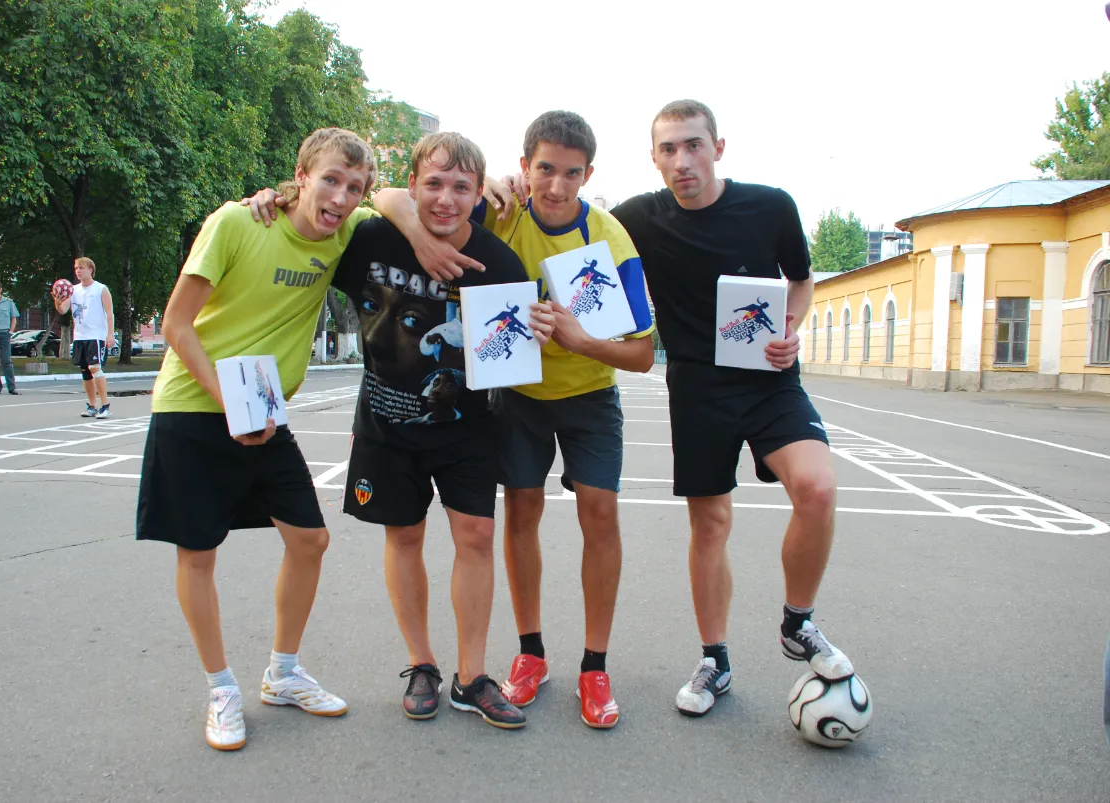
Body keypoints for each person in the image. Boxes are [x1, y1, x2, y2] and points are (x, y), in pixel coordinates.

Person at [374, 111, 656, 729]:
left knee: (600, 515)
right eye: (545, 169)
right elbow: (394, 196)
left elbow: (641, 354)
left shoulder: (609, 237)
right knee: (522, 513)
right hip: (518, 396)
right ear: (525, 166)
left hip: (588, 395)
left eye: (572, 174)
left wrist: (583, 341)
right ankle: (531, 654)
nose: (556, 185)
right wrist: (421, 235)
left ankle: (595, 666)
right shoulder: (501, 211)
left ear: (589, 175)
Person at [608, 99, 854, 716]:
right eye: (669, 149)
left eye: (694, 145)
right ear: (654, 157)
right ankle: (714, 661)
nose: (682, 161)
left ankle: (797, 622)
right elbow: (570, 224)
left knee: (818, 488)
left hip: (769, 379)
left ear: (718, 148)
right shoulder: (637, 217)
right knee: (711, 525)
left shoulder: (770, 206)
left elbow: (800, 280)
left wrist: (791, 326)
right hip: (697, 390)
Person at [136, 127, 377, 751]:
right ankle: (221, 689)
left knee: (310, 539)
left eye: (355, 188)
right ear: (300, 176)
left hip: (264, 409)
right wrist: (227, 403)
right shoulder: (237, 223)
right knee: (198, 552)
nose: (341, 198)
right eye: (330, 180)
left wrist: (494, 184)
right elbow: (176, 324)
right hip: (193, 406)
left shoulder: (345, 231)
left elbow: (405, 202)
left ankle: (283, 674)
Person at [331, 132, 553, 728]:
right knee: (403, 537)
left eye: (460, 187)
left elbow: (511, 354)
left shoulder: (498, 263)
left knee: (476, 537)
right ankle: (421, 664)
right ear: (413, 185)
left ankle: (471, 677)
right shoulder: (373, 239)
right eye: (432, 184)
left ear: (479, 194)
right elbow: (322, 226)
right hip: (385, 422)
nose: (445, 199)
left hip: (468, 428)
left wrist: (533, 333)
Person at [53, 257, 115, 418]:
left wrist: (110, 334)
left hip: (96, 336)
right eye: (76, 268)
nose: (78, 271)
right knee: (85, 372)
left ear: (90, 270)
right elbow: (62, 310)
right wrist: (57, 301)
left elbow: (110, 313)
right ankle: (92, 406)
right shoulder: (73, 290)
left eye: (81, 268)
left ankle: (105, 405)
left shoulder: (101, 289)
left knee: (95, 367)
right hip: (80, 336)